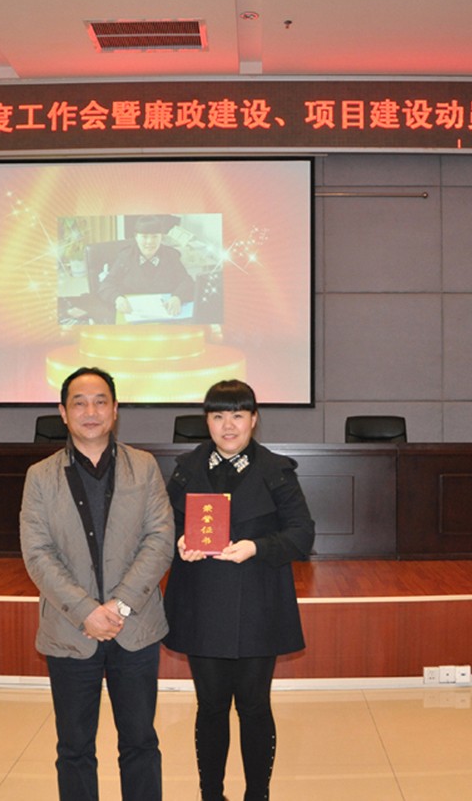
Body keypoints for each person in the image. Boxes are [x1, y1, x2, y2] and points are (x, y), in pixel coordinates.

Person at [19, 366, 175, 801]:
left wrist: (119, 606)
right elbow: (37, 553)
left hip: (135, 628)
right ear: (63, 413)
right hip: (71, 631)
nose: (91, 411)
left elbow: (160, 539)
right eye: (80, 403)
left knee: (140, 743)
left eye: (100, 401)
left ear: (115, 409)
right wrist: (87, 610)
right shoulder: (40, 476)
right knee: (74, 749)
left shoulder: (144, 467)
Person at [163, 379, 315, 801]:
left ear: (253, 419)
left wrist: (257, 547)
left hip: (257, 605)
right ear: (206, 421)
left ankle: (257, 795)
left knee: (253, 706)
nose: (227, 425)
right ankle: (211, 794)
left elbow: (302, 534)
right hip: (202, 603)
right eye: (217, 416)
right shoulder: (186, 468)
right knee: (211, 707)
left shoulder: (276, 470)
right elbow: (161, 525)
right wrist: (179, 542)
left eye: (237, 415)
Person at [98, 214, 195, 318]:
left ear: (161, 237)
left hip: (165, 313)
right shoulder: (125, 257)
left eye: (155, 236)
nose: (150, 242)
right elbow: (106, 285)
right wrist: (118, 299)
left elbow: (187, 281)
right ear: (136, 237)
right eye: (144, 237)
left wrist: (178, 297)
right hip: (133, 313)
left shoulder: (171, 256)